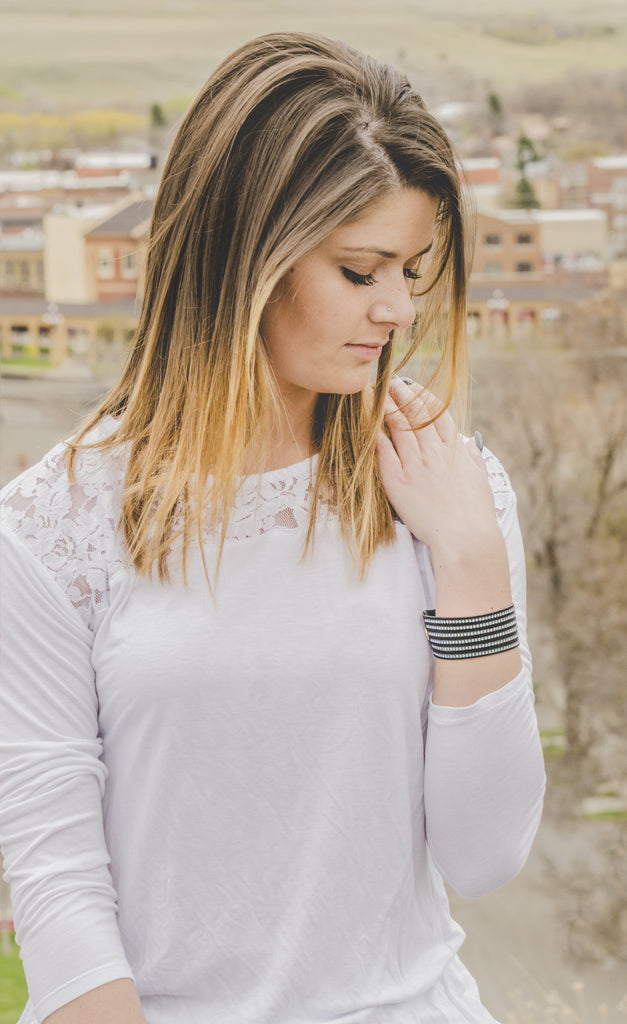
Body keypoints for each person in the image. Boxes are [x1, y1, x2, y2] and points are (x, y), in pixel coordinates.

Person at [0, 31, 546, 1024]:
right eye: (359, 269)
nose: (396, 308)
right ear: (243, 252)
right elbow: (58, 887)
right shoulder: (54, 524)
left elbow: (487, 853)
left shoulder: (449, 493)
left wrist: (472, 566)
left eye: (413, 269)